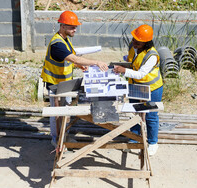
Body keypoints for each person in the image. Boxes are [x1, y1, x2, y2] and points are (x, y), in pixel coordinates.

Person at [41, 10, 108, 148]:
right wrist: (96, 62)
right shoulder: (57, 44)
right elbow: (73, 57)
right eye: (72, 27)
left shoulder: (65, 40)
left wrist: (78, 65)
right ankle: (57, 140)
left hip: (64, 83)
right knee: (57, 114)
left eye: (76, 27)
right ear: (63, 26)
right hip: (55, 85)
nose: (75, 30)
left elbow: (69, 59)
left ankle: (64, 135)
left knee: (66, 111)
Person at [113, 24, 163, 156]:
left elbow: (141, 74)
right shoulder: (133, 45)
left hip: (152, 88)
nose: (134, 42)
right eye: (134, 39)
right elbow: (132, 60)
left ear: (146, 43)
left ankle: (153, 143)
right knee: (135, 111)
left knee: (151, 115)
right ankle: (134, 138)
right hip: (135, 85)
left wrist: (124, 71)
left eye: (137, 41)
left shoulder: (152, 55)